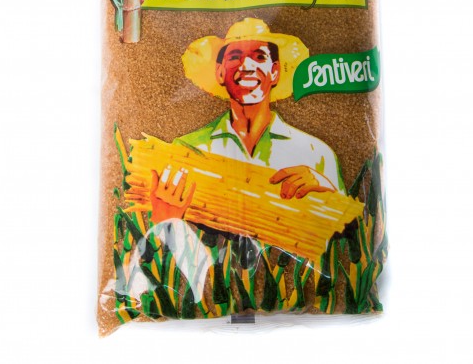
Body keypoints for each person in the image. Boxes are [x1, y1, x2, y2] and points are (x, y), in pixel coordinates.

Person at [147, 18, 345, 224]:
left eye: (259, 57)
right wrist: (164, 220)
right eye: (235, 56)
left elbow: (350, 233)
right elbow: (160, 236)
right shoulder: (187, 150)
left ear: (275, 72)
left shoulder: (317, 155)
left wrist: (330, 194)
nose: (247, 66)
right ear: (220, 72)